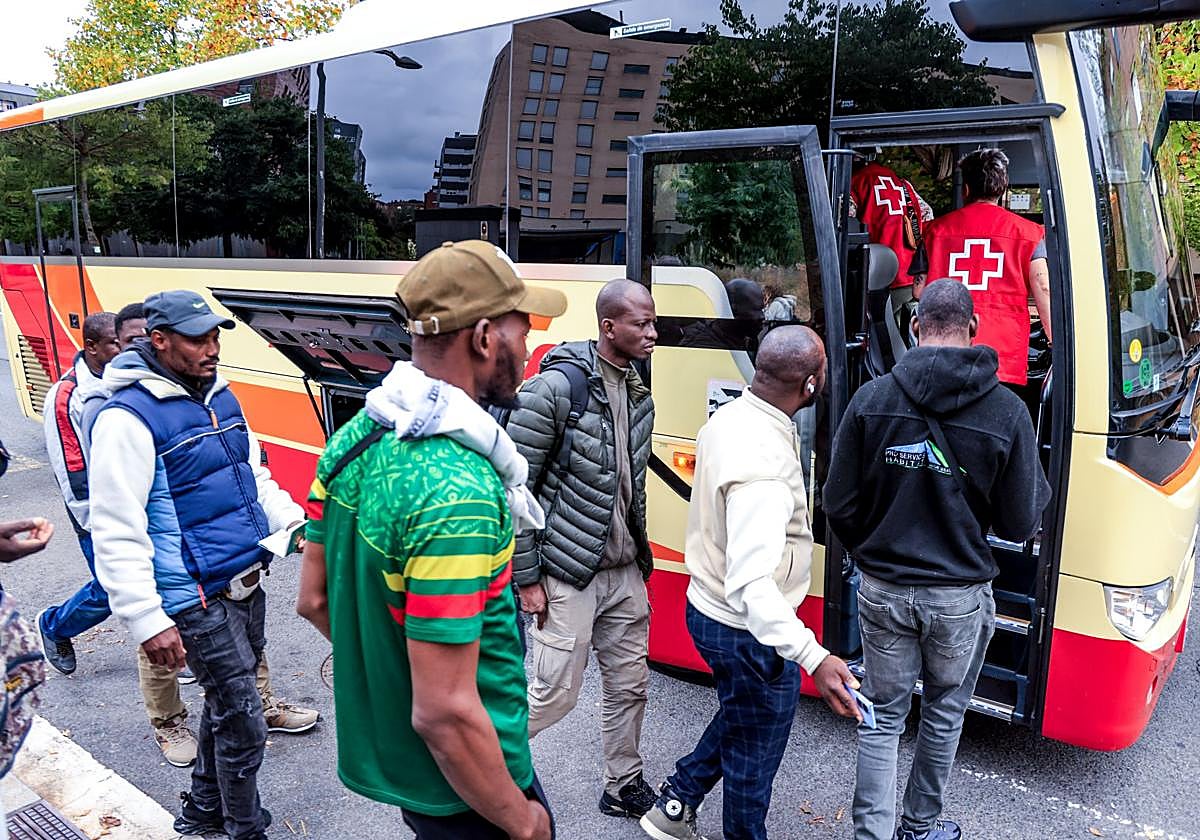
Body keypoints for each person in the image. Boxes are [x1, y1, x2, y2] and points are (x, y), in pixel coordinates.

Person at [295, 239, 567, 839]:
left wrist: (407, 671)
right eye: (524, 331)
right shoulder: (458, 491)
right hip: (474, 786)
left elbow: (314, 600)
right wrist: (522, 821)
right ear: (485, 338)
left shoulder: (355, 438)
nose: (529, 350)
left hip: (419, 775)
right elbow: (444, 713)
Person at [823, 280, 1050, 840]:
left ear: (915, 326)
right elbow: (1021, 524)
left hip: (882, 589)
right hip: (958, 597)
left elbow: (837, 503)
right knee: (945, 713)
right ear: (973, 328)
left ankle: (871, 834)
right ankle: (919, 827)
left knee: (881, 717)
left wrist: (871, 553)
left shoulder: (871, 399)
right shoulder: (1007, 412)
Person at [88, 290, 308, 839]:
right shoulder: (126, 417)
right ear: (159, 340)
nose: (212, 349)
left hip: (244, 580)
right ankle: (244, 828)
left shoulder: (221, 396)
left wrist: (291, 522)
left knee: (226, 708)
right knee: (245, 721)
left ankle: (202, 812)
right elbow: (115, 526)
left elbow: (253, 476)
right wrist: (147, 618)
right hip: (194, 595)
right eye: (197, 340)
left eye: (214, 337)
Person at [641, 326, 861, 840]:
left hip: (710, 609)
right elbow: (751, 585)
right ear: (810, 384)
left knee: (743, 715)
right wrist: (815, 657)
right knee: (752, 760)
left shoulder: (732, 416)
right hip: (746, 631)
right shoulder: (765, 472)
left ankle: (676, 802)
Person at [506, 278, 658, 819]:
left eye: (654, 322)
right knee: (554, 695)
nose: (653, 333)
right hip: (567, 573)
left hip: (623, 571)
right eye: (642, 323)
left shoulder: (639, 393)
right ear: (609, 327)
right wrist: (527, 579)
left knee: (630, 685)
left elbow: (629, 487)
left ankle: (623, 785)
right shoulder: (553, 390)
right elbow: (513, 491)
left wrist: (639, 559)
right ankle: (474, 768)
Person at [910, 148, 1051, 387]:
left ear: (965, 189)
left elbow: (919, 291)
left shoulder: (935, 231)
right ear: (1002, 189)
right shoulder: (1029, 234)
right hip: (1003, 353)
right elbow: (1043, 287)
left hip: (944, 350)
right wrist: (1055, 341)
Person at [37, 312, 120, 676]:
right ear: (91, 347)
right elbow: (72, 471)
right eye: (114, 343)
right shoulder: (65, 397)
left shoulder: (125, 379)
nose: (123, 349)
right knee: (111, 589)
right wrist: (95, 523)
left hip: (137, 501)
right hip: (96, 513)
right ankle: (54, 626)